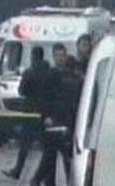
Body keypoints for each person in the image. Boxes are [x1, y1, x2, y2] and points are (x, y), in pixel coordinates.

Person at [31, 45, 83, 186]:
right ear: (54, 57)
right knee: (52, 156)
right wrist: (46, 116)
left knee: (57, 156)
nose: (60, 58)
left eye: (62, 55)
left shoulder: (70, 77)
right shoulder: (51, 75)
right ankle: (42, 180)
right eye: (57, 55)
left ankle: (39, 180)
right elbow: (44, 98)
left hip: (65, 121)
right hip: (54, 121)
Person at [3, 46, 49, 180]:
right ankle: (45, 175)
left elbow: (22, 90)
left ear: (33, 56)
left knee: (25, 144)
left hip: (30, 111)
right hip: (44, 112)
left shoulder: (30, 72)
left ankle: (18, 170)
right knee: (47, 146)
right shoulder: (48, 72)